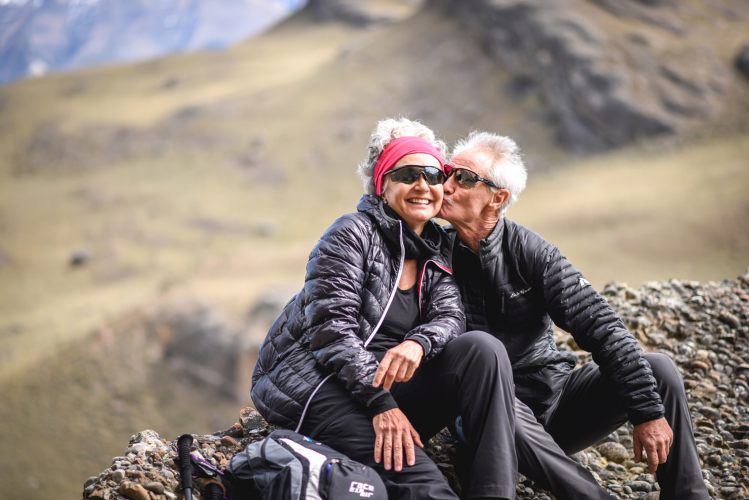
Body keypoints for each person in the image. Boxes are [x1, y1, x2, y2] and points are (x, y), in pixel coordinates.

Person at [251, 118, 518, 500]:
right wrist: (382, 406)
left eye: (432, 174)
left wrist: (419, 344)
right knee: (424, 483)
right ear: (383, 185)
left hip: (387, 382)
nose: (423, 185)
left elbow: (450, 317)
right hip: (320, 382)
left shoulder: (435, 244)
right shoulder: (352, 233)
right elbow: (331, 331)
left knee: (483, 349)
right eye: (408, 174)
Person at [438, 130, 709, 500]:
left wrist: (647, 412)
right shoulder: (433, 253)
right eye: (447, 172)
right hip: (485, 416)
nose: (448, 185)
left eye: (465, 178)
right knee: (499, 402)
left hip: (554, 401)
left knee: (659, 368)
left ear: (497, 199)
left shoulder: (532, 252)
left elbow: (603, 327)